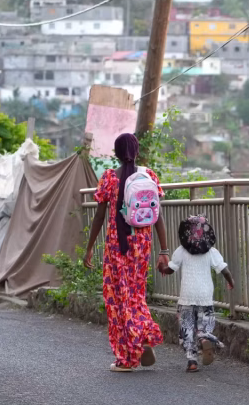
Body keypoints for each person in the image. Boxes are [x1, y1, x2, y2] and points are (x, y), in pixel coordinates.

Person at [84, 133, 169, 372]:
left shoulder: (110, 178)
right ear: (138, 151)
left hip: (116, 246)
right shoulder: (148, 175)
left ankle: (127, 357)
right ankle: (143, 336)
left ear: (116, 153)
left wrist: (90, 248)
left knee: (117, 299)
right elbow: (157, 215)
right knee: (135, 294)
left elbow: (100, 216)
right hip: (142, 244)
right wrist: (164, 250)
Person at [158, 214, 234, 373]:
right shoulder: (211, 251)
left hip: (187, 295)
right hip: (205, 295)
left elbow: (171, 269)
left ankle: (191, 361)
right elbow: (223, 269)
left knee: (187, 327)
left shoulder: (181, 251)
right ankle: (204, 337)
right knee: (203, 324)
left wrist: (162, 269)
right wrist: (230, 281)